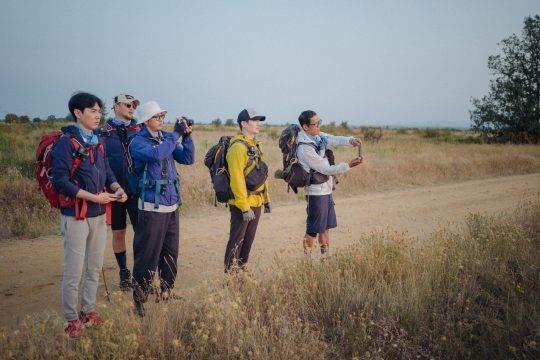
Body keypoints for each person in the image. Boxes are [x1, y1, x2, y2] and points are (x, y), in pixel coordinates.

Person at [51, 92, 128, 339]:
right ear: (78, 113)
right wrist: (95, 197)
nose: (97, 115)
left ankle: (89, 311)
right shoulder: (66, 143)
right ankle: (72, 320)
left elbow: (107, 172)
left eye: (99, 111)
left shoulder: (98, 141)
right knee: (74, 270)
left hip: (97, 212)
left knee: (94, 267)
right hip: (76, 214)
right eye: (92, 111)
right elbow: (60, 181)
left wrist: (117, 188)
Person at [129, 101, 195, 316]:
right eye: (158, 116)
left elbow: (188, 158)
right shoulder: (138, 142)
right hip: (151, 206)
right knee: (147, 254)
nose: (161, 119)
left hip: (171, 204)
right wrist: (175, 135)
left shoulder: (167, 138)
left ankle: (166, 291)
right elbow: (156, 155)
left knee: (170, 253)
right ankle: (139, 298)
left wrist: (187, 136)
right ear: (146, 120)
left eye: (162, 116)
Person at [296, 110, 362, 257]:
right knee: (312, 229)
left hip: (326, 189)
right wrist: (348, 166)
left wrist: (351, 140)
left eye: (320, 122)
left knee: (326, 227)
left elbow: (334, 139)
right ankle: (306, 262)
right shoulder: (305, 148)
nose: (319, 125)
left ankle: (325, 259)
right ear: (306, 127)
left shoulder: (318, 137)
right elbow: (326, 169)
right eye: (315, 123)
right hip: (315, 193)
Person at [97, 93, 141, 291]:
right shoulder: (103, 132)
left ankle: (142, 271)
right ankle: (124, 272)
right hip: (114, 192)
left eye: (134, 105)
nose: (132, 108)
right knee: (119, 232)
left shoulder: (139, 130)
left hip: (136, 190)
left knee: (142, 232)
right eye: (128, 105)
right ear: (116, 106)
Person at [224, 108, 270, 272]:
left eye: (259, 120)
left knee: (248, 241)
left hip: (256, 201)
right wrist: (244, 207)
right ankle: (231, 278)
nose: (258, 124)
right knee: (236, 241)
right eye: (254, 120)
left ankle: (241, 273)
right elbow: (236, 180)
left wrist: (265, 199)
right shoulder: (237, 148)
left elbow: (259, 175)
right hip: (242, 204)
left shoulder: (254, 145)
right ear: (243, 123)